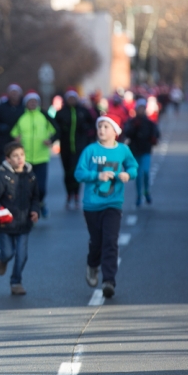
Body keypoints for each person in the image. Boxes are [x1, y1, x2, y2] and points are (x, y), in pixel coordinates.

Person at [74, 113, 138, 298]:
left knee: (110, 241)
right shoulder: (90, 150)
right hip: (92, 204)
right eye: (99, 126)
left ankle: (108, 281)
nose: (101, 130)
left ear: (115, 131)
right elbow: (79, 173)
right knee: (97, 242)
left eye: (106, 127)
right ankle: (92, 265)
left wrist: (128, 174)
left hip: (113, 203)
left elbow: (133, 167)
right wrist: (97, 176)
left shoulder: (123, 150)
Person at [0, 142, 41, 295]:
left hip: (24, 223)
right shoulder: (2, 176)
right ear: (8, 159)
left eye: (21, 155)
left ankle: (16, 282)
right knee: (8, 253)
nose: (19, 159)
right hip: (6, 224)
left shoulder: (30, 176)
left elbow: (36, 197)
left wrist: (35, 211)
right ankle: (2, 260)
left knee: (22, 255)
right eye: (15, 156)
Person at [11, 91, 58, 217]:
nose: (32, 103)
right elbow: (13, 132)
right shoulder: (21, 116)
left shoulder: (44, 115)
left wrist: (51, 140)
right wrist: (16, 138)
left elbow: (56, 130)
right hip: (25, 159)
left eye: (34, 101)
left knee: (41, 187)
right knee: (26, 187)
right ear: (26, 103)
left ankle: (40, 202)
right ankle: (31, 210)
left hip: (41, 157)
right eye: (30, 101)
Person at [54, 90, 96, 210]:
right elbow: (55, 128)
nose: (71, 100)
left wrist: (88, 133)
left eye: (73, 98)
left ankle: (77, 194)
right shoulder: (61, 113)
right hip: (66, 147)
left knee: (76, 171)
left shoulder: (83, 111)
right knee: (67, 172)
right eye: (69, 98)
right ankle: (69, 194)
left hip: (79, 147)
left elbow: (93, 124)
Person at [123, 98, 159, 206]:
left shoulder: (149, 123)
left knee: (146, 172)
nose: (141, 110)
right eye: (139, 108)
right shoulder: (131, 121)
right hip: (135, 151)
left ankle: (146, 191)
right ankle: (138, 195)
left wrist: (154, 138)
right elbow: (127, 133)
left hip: (146, 151)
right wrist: (134, 128)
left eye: (143, 108)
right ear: (136, 109)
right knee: (138, 175)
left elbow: (156, 133)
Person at [0, 84, 26, 167]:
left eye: (16, 92)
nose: (14, 95)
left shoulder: (24, 107)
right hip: (5, 141)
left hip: (21, 141)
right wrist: (0, 127)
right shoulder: (1, 107)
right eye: (12, 92)